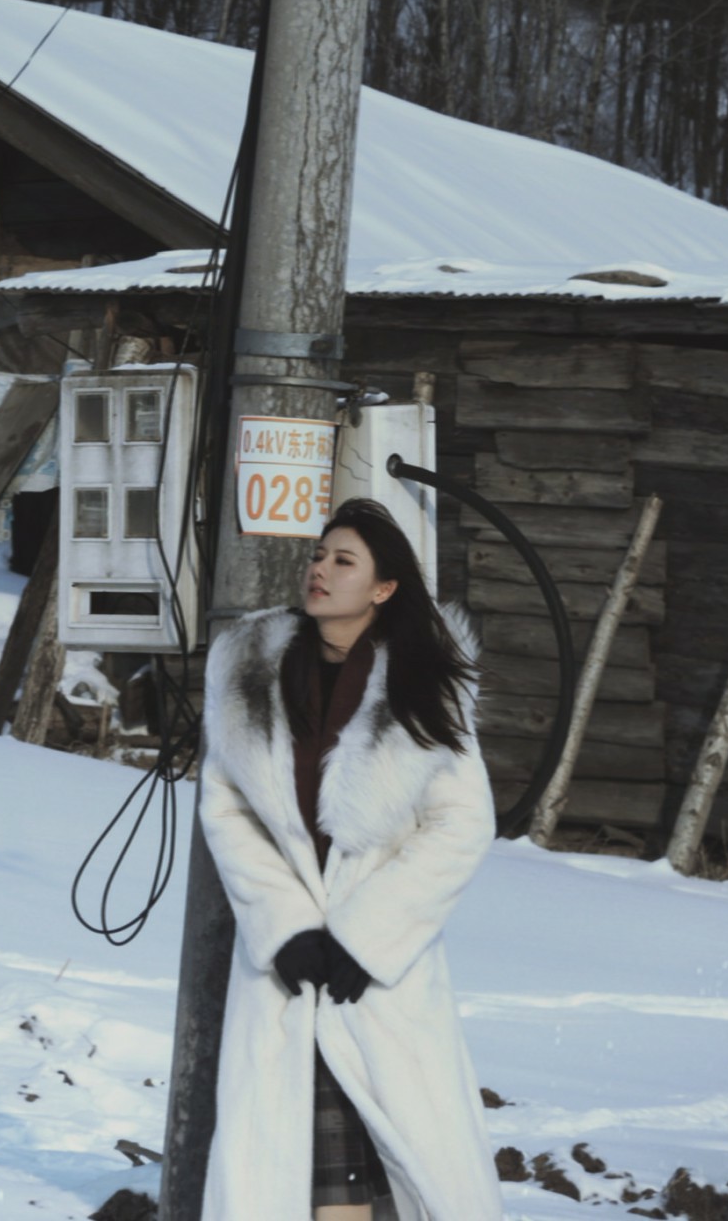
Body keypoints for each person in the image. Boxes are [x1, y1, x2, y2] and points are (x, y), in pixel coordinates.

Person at [198, 497, 503, 1221]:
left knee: (407, 1167)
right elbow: (226, 808)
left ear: (383, 587)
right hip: (288, 972)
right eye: (318, 555)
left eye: (344, 561)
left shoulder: (424, 683)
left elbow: (463, 823)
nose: (320, 570)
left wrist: (365, 937)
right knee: (296, 1174)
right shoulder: (249, 671)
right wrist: (285, 926)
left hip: (379, 976)